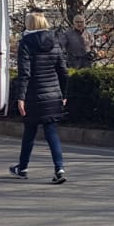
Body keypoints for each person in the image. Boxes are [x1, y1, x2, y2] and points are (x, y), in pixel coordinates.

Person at [9, 12, 69, 185]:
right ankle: (59, 168)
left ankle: (23, 167)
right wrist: (64, 94)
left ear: (30, 24)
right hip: (53, 94)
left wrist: (20, 97)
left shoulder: (26, 43)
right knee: (51, 132)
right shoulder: (55, 41)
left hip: (34, 95)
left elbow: (24, 73)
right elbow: (63, 71)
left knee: (29, 131)